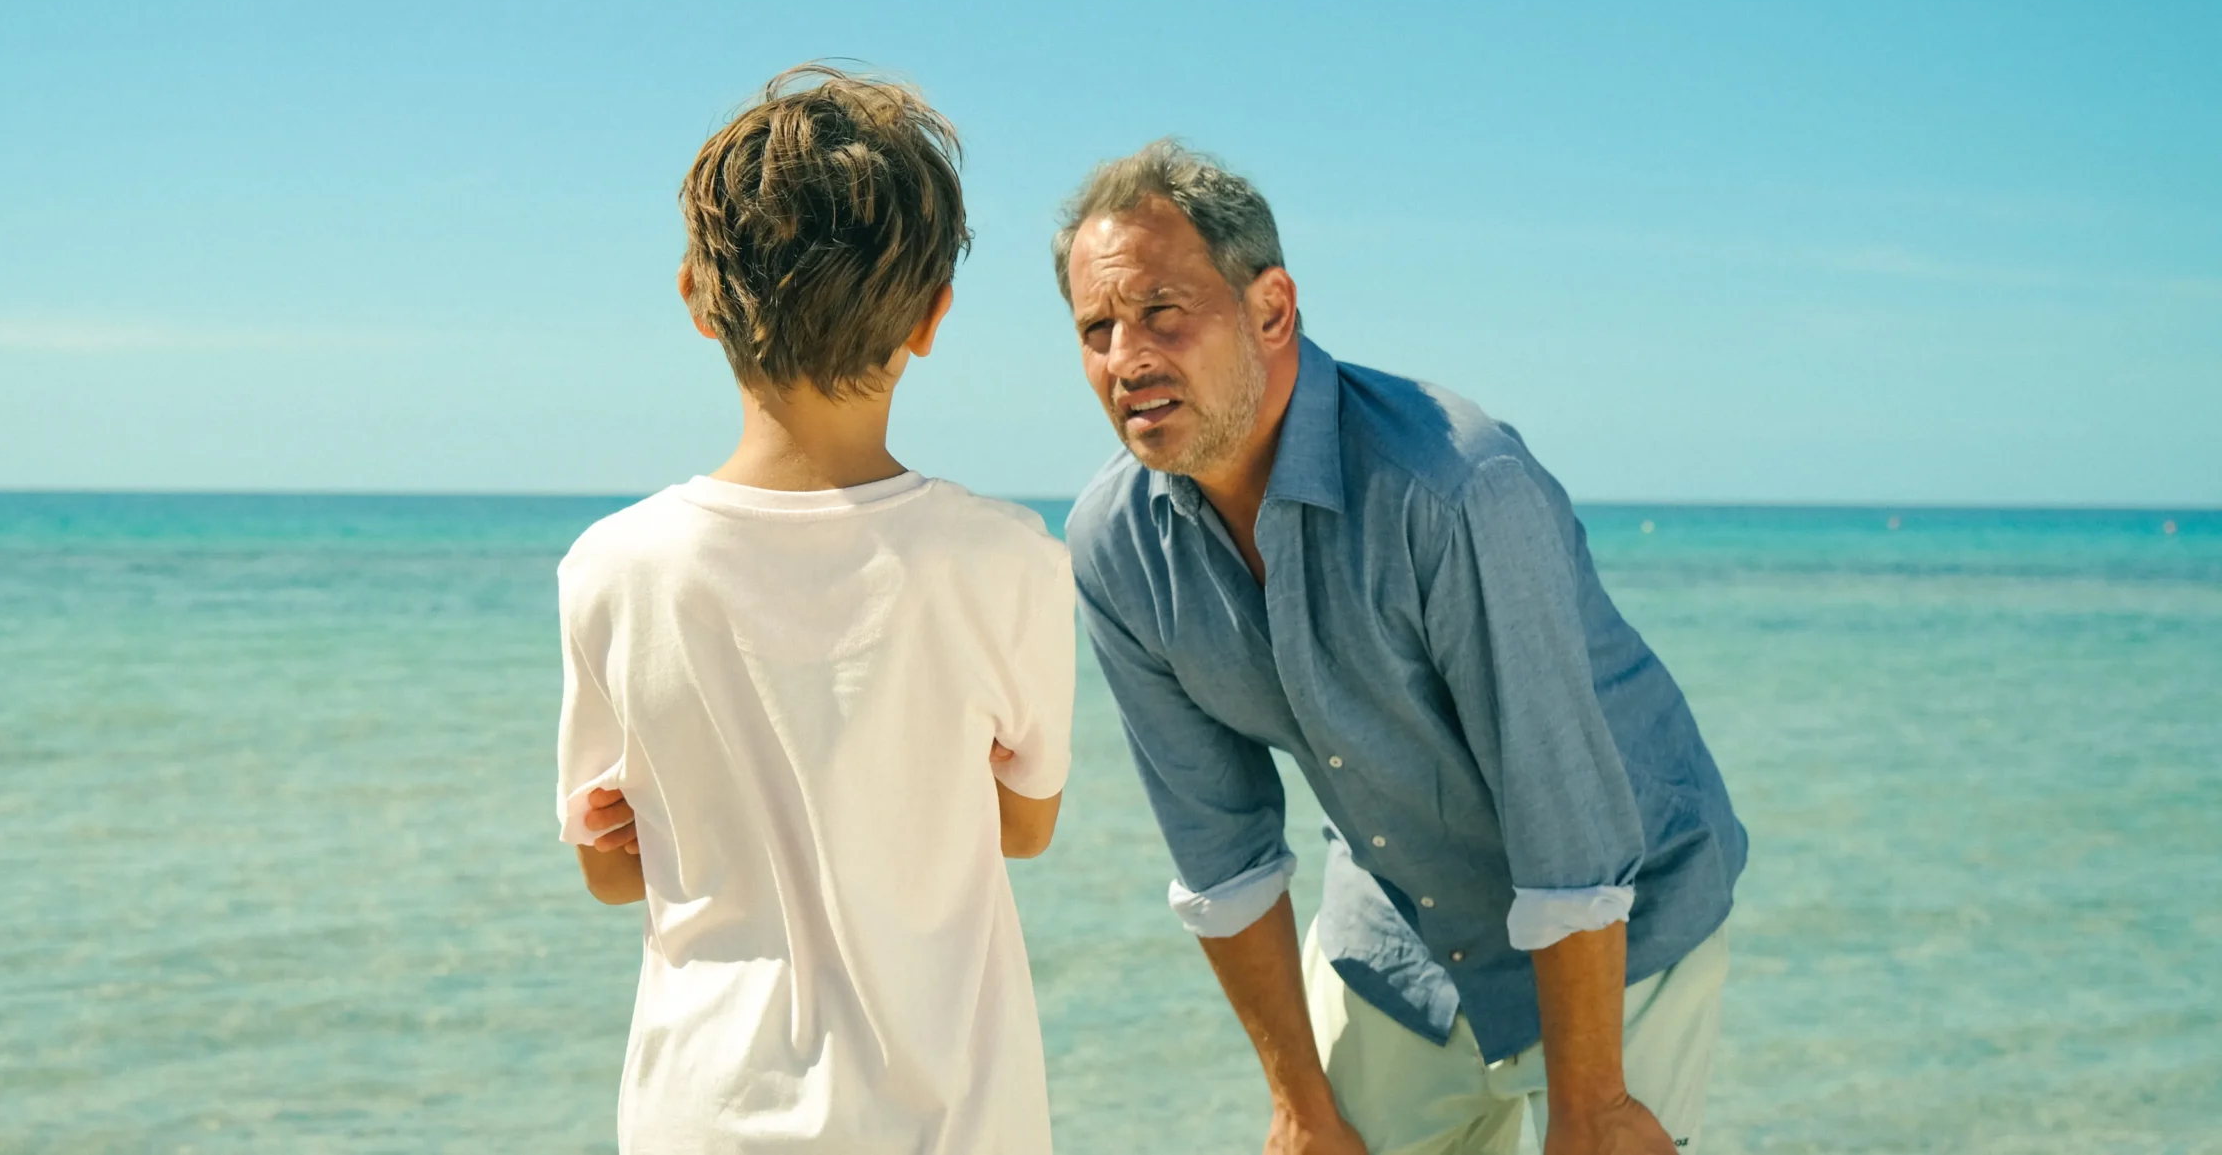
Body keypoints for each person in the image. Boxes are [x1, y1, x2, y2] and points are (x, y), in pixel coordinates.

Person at [1056, 140, 1747, 1155]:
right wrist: (1299, 1105)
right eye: (1096, 327)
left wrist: (1592, 1105)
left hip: (1622, 917)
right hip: (1397, 930)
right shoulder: (1113, 546)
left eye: (1163, 311)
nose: (1126, 358)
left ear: (1272, 309)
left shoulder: (1454, 486)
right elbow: (1222, 853)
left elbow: (1567, 822)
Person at [555, 66, 1076, 1155]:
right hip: (951, 1120)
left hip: (703, 1114)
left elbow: (609, 865)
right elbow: (1024, 825)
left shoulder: (614, 566)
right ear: (932, 316)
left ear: (698, 296)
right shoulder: (1007, 559)